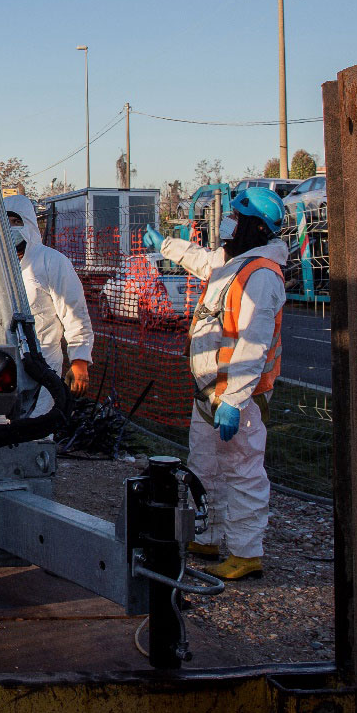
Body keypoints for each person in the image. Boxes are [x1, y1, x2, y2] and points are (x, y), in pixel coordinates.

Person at [144, 186, 288, 581]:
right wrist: (166, 245)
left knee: (243, 473)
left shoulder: (260, 277)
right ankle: (207, 536)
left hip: (236, 398)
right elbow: (204, 261)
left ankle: (246, 552)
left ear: (255, 228)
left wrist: (235, 401)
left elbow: (252, 346)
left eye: (237, 219)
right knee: (204, 467)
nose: (229, 225)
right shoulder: (236, 263)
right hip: (210, 391)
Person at [3, 194, 93, 413]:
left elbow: (74, 313)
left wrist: (79, 359)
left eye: (17, 222)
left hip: (43, 364)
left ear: (30, 224)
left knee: (37, 429)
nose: (12, 228)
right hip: (0, 363)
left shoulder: (51, 261)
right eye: (7, 222)